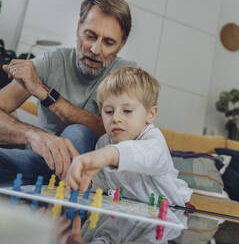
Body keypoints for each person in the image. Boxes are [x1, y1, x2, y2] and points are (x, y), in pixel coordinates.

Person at [0, 0, 136, 188]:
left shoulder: (126, 75)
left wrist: (45, 94)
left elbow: (116, 132)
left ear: (122, 44)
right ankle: (55, 188)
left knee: (79, 133)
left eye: (108, 42)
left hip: (94, 174)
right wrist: (35, 136)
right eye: (90, 35)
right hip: (38, 163)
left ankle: (66, 187)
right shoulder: (52, 61)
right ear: (78, 28)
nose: (95, 49)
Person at [66, 67, 192, 207]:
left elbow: (142, 154)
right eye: (108, 111)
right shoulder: (103, 143)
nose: (116, 118)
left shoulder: (154, 140)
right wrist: (86, 182)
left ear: (150, 114)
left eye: (127, 111)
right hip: (129, 210)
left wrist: (107, 155)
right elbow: (103, 183)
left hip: (169, 210)